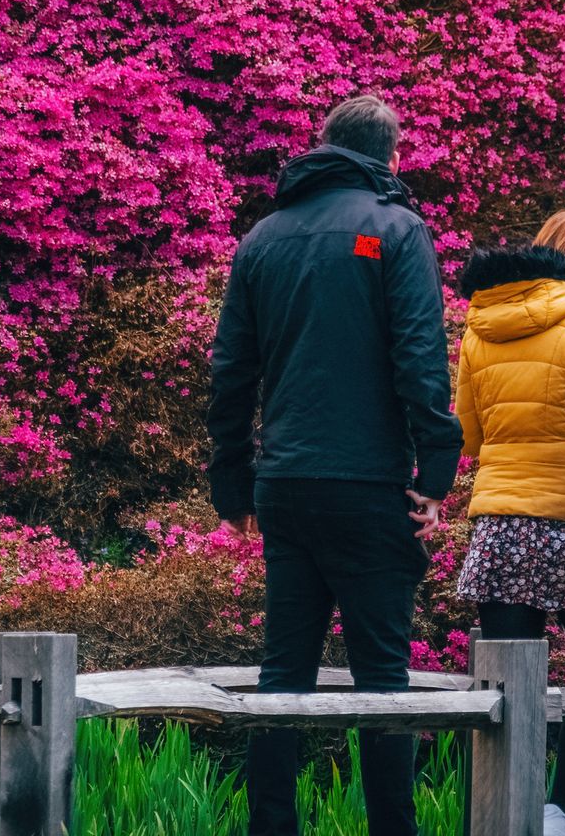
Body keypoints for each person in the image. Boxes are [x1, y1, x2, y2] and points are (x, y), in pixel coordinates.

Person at [206, 94, 462, 836]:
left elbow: (232, 371)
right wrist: (434, 473)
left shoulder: (263, 237)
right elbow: (419, 358)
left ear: (322, 145)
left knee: (281, 672)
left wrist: (233, 481)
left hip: (284, 483)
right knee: (382, 675)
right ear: (391, 153)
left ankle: (270, 828)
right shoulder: (397, 227)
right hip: (368, 481)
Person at [453, 210, 565, 836]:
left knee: (505, 683)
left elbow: (470, 437)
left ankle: (504, 810)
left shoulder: (479, 328)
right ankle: (561, 809)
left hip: (503, 524)